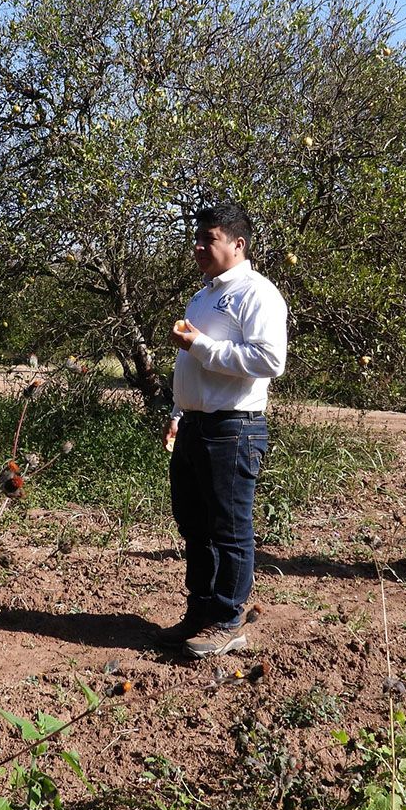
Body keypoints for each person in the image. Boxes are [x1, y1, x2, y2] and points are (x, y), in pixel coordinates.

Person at [158, 203, 288, 658]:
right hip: (195, 425)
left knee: (230, 530)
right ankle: (201, 613)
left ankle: (229, 620)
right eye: (197, 238)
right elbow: (193, 364)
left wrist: (202, 345)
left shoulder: (258, 294)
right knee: (195, 527)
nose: (197, 246)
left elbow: (271, 361)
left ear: (237, 244)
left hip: (234, 428)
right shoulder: (204, 294)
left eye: (208, 239)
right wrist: (178, 412)